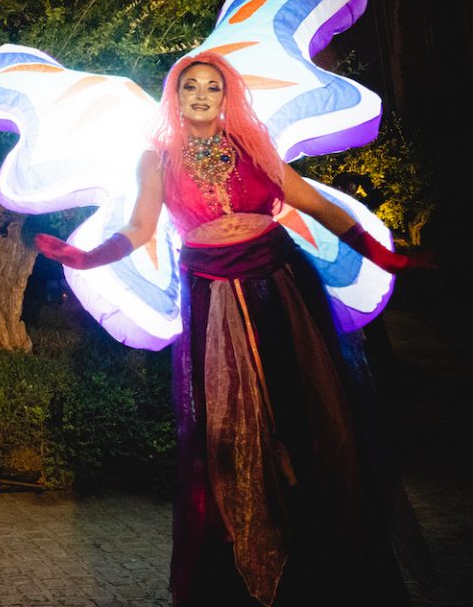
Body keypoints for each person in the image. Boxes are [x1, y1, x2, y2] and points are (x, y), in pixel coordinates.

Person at [35, 54, 422, 607]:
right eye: (189, 85)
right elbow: (140, 227)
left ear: (226, 96)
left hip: (280, 288)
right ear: (174, 96)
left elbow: (317, 206)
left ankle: (322, 567)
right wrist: (86, 257)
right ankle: (244, 573)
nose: (200, 94)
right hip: (213, 295)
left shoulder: (254, 148)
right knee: (228, 433)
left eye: (212, 87)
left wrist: (384, 256)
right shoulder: (155, 160)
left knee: (308, 418)